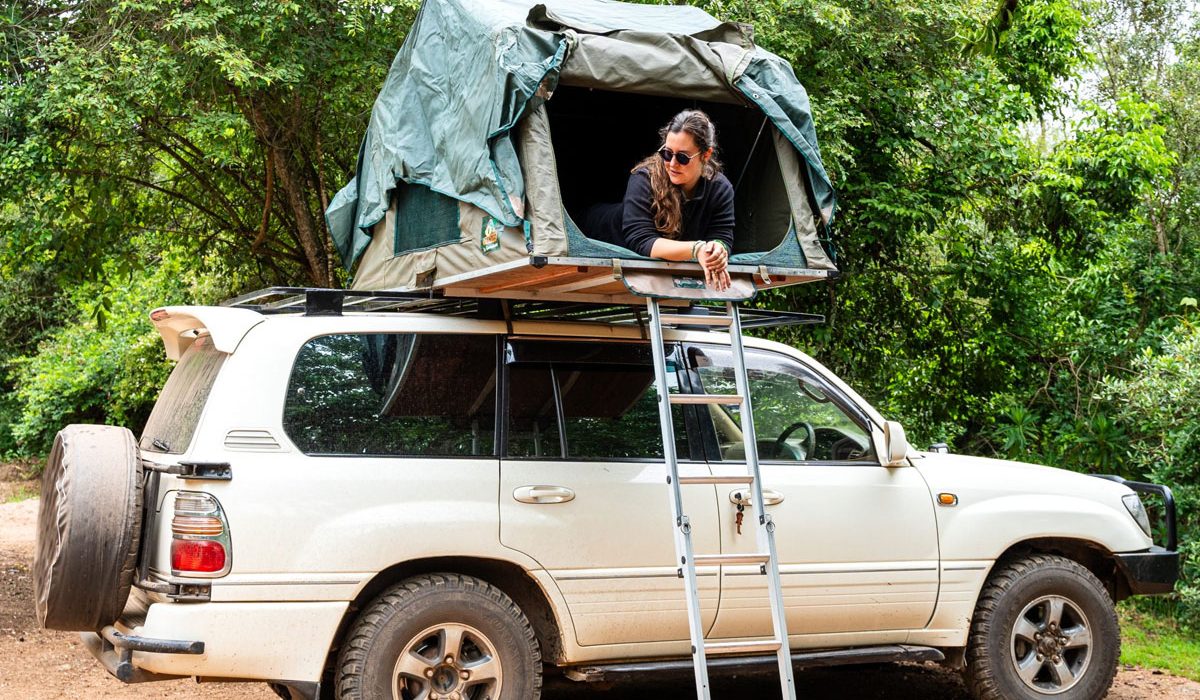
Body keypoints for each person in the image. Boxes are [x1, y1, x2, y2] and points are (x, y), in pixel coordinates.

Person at [584, 110, 734, 291]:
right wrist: (697, 249)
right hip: (598, 227)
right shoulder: (644, 178)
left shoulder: (720, 188)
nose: (672, 164)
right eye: (667, 153)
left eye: (682, 157)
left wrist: (716, 250)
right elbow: (641, 241)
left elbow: (722, 236)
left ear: (706, 154)